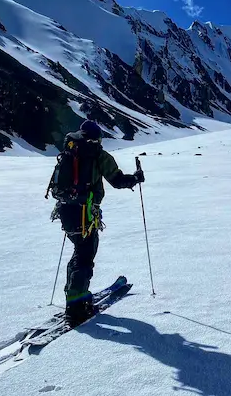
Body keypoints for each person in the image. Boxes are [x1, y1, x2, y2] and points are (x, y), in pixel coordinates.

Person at [47, 120, 145, 325]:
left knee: (79, 252)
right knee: (85, 255)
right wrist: (135, 178)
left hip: (66, 210)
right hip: (85, 213)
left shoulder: (70, 150)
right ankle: (76, 307)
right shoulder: (97, 154)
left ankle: (74, 294)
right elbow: (117, 180)